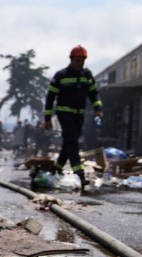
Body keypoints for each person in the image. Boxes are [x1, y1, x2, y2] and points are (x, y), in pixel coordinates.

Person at [44, 44, 103, 187]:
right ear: (71, 60)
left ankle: (56, 169)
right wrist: (47, 118)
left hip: (79, 115)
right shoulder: (61, 75)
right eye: (77, 60)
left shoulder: (87, 75)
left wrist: (98, 108)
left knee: (69, 142)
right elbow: (50, 97)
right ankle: (80, 175)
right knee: (73, 142)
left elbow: (93, 93)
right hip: (64, 113)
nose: (80, 63)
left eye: (82, 60)